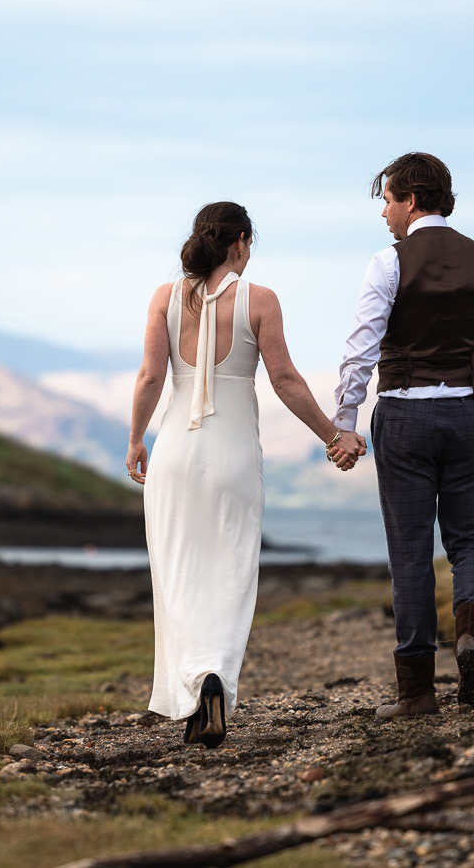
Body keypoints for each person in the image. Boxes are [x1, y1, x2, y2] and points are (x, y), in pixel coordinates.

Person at [127, 201, 361, 748]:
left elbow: (148, 377)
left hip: (174, 456)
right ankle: (215, 678)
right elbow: (284, 378)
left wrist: (138, 438)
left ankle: (193, 688)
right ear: (240, 243)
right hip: (231, 457)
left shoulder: (164, 298)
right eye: (249, 245)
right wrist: (334, 437)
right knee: (230, 573)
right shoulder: (260, 300)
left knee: (179, 576)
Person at [331, 153, 474, 718]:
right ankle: (471, 639)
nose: (385, 213)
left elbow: (360, 350)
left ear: (413, 200)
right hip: (471, 412)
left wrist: (345, 423)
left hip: (404, 417)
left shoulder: (387, 263)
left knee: (411, 553)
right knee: (471, 541)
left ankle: (418, 691)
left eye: (389, 200)